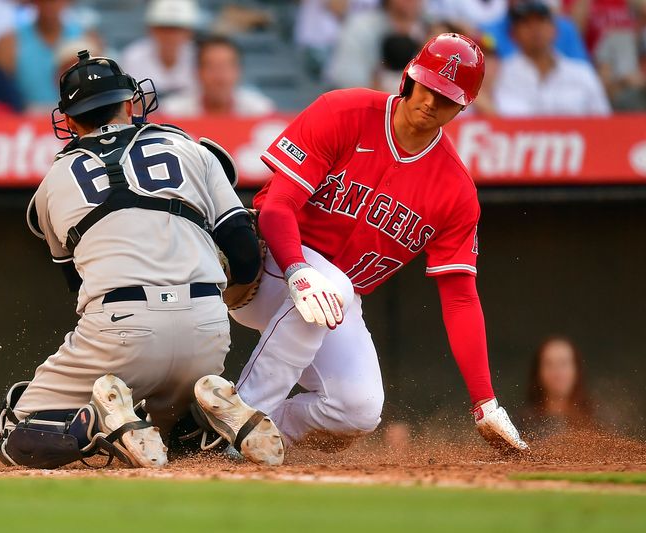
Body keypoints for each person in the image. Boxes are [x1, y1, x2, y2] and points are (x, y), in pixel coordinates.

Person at [218, 33, 529, 455]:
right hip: (269, 262)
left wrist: (484, 400)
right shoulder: (344, 111)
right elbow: (278, 206)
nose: (430, 101)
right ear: (409, 78)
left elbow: (460, 298)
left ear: (463, 105)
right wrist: (296, 267)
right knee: (335, 291)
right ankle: (232, 425)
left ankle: (259, 430)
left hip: (332, 299)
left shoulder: (455, 190)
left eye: (445, 97)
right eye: (427, 86)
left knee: (357, 409)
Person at [0, 51, 282, 469]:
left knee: (12, 434)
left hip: (121, 329)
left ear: (69, 121)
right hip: (207, 327)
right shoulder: (190, 149)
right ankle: (205, 419)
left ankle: (94, 426)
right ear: (131, 104)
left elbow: (79, 284)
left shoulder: (54, 181)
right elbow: (244, 252)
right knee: (166, 435)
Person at [493, 1, 611, 116]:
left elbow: (604, 122)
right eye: (526, 23)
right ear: (513, 34)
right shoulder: (501, 75)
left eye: (541, 21)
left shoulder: (582, 73)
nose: (535, 29)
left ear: (555, 29)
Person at [0, 0, 97, 112]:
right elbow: (1, 94)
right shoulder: (9, 43)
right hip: (26, 120)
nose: (50, 5)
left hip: (77, 116)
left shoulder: (87, 38)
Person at [159, 35, 275, 118]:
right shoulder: (172, 112)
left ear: (239, 71)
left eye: (226, 66)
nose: (219, 77)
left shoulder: (260, 110)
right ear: (197, 72)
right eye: (211, 67)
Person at [120, 0, 201, 98]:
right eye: (163, 29)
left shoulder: (199, 56)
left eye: (177, 29)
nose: (170, 36)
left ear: (189, 32)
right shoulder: (133, 57)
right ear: (151, 30)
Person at [522, 336, 595, 437]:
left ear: (577, 370)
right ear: (537, 372)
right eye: (549, 364)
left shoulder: (598, 418)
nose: (557, 373)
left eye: (563, 364)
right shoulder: (522, 423)